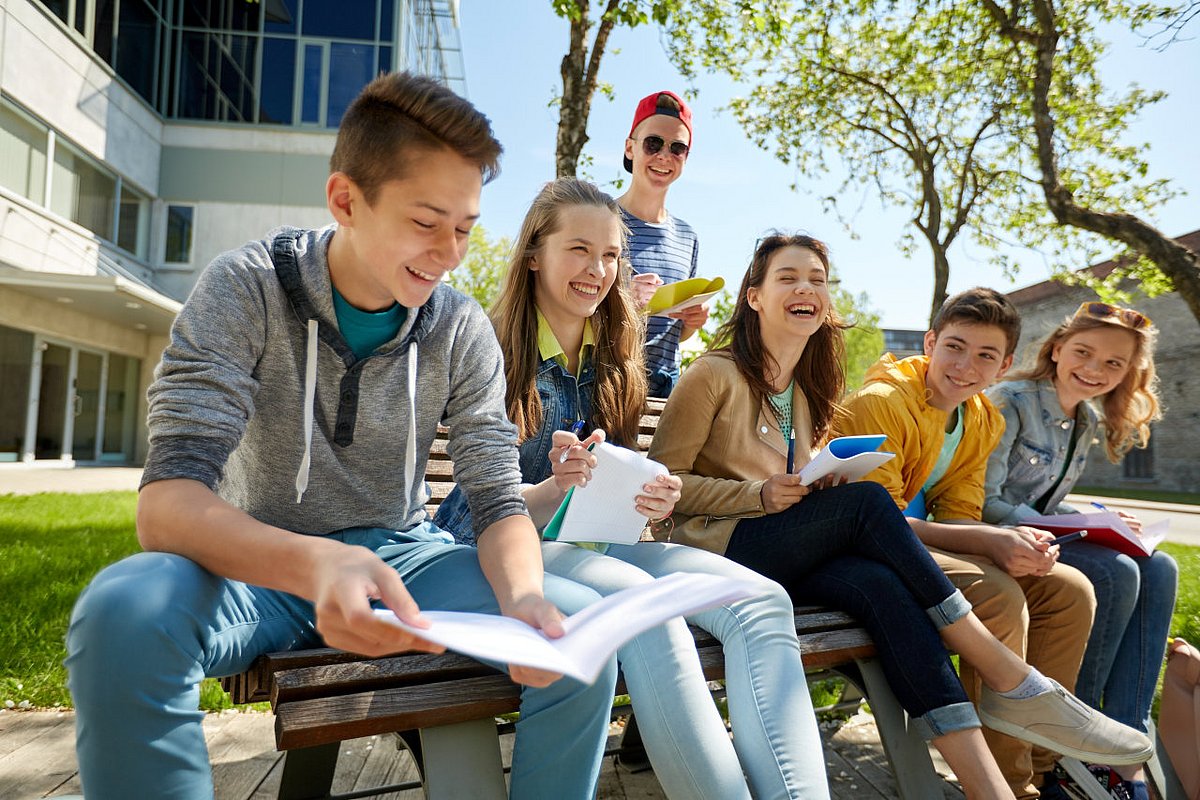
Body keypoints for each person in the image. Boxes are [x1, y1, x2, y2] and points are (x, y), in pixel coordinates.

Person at [64, 73, 618, 800]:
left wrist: (521, 598)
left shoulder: (458, 327)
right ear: (345, 201)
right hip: (256, 564)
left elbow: (495, 497)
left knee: (577, 638)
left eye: (465, 227)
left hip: (405, 561)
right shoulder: (244, 289)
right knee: (122, 611)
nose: (451, 253)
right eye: (426, 223)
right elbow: (167, 505)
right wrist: (316, 566)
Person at [648, 234, 1153, 800]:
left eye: (817, 279)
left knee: (884, 588)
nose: (806, 288)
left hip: (782, 553)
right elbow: (662, 491)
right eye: (787, 277)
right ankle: (1010, 678)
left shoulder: (811, 388)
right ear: (754, 298)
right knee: (867, 504)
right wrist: (760, 496)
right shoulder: (713, 374)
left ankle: (994, 791)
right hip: (715, 550)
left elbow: (800, 486)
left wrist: (820, 478)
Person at [435, 179, 830, 800]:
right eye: (580, 250)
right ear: (534, 253)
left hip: (592, 542)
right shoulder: (487, 348)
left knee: (760, 600)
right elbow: (490, 501)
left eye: (612, 256)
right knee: (647, 617)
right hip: (497, 545)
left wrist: (651, 493)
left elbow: (608, 479)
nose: (598, 270)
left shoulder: (617, 353)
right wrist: (555, 487)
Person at [836, 286, 1115, 799]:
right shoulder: (884, 402)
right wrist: (988, 541)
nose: (966, 365)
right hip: (859, 554)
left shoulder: (980, 417)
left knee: (1070, 590)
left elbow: (961, 515)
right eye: (955, 347)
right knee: (1000, 597)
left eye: (985, 355)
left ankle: (1042, 763)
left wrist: (1007, 541)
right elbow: (874, 522)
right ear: (930, 343)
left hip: (918, 548)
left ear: (1005, 364)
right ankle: (1008, 786)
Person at [983, 302, 1176, 800]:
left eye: (1113, 363)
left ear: (1128, 373)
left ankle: (1124, 731)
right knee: (1115, 572)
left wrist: (1101, 519)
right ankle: (1077, 731)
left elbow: (1045, 499)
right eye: (1084, 353)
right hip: (995, 541)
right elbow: (985, 501)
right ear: (1056, 349)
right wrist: (1075, 528)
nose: (1094, 370)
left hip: (1041, 535)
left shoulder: (1085, 420)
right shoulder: (1011, 400)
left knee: (1160, 567)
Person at [617, 90, 708, 398]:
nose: (664, 156)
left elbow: (673, 334)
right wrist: (623, 299)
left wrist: (692, 323)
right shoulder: (599, 220)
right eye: (653, 143)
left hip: (663, 393)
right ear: (630, 148)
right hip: (604, 383)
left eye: (677, 148)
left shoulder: (688, 237)